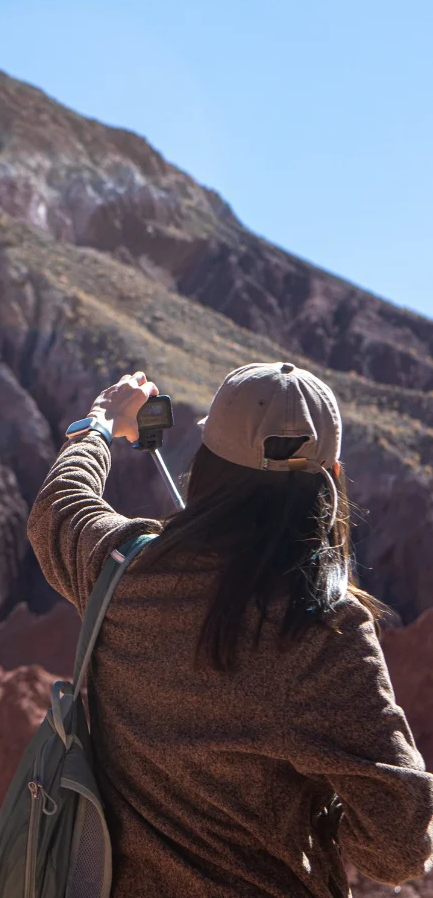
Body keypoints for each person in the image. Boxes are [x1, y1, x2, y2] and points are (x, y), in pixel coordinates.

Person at [29, 364, 433, 897]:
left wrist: (100, 422)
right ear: (330, 478)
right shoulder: (324, 633)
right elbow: (397, 847)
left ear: (207, 462)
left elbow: (59, 510)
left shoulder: (124, 571)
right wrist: (321, 804)